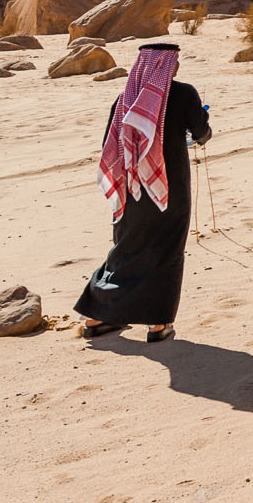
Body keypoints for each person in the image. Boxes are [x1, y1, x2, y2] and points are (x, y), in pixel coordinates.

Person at [75, 42, 211, 341]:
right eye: (173, 63)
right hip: (168, 186)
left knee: (126, 246)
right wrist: (202, 125)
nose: (175, 67)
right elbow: (201, 133)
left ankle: (98, 317)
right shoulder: (184, 93)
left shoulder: (126, 98)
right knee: (167, 248)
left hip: (129, 185)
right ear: (168, 66)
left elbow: (109, 143)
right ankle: (158, 324)